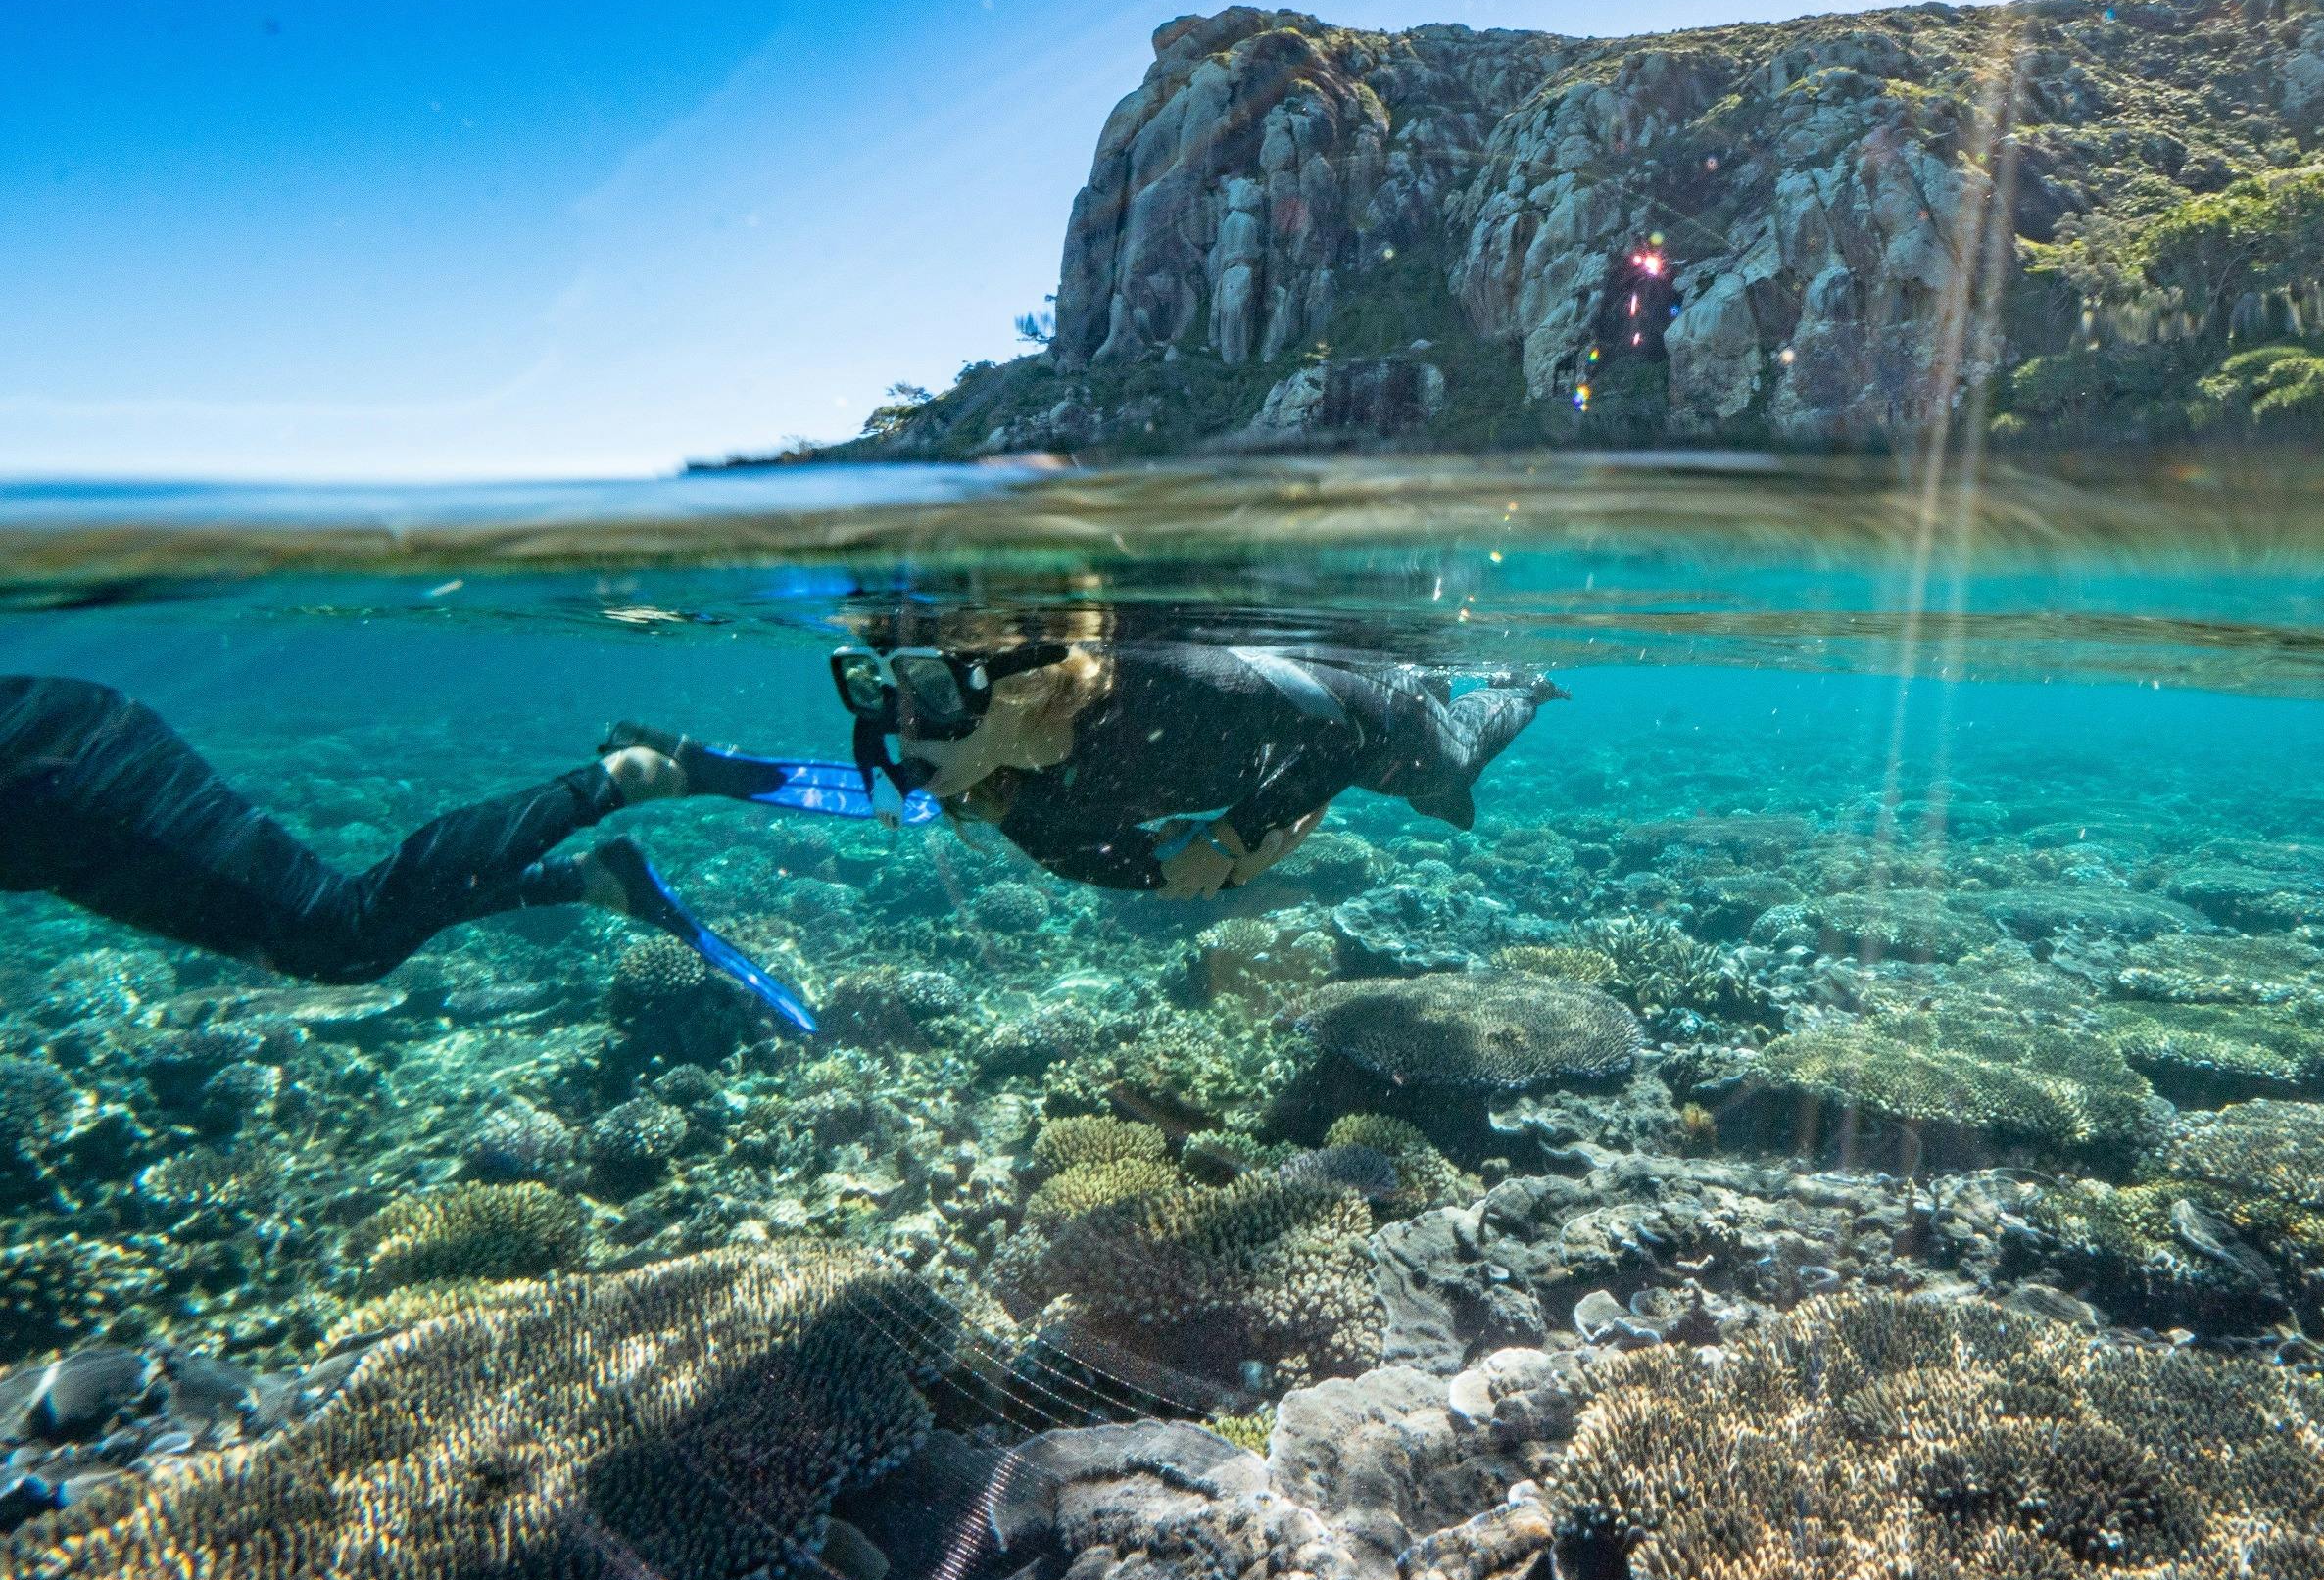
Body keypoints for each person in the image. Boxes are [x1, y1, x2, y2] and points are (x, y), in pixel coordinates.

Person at [0, 675, 814, 1029]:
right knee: (338, 933)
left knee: (343, 939)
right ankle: (589, 879)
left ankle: (627, 776)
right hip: (55, 760)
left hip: (54, 764)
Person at [610, 638, 1563, 898]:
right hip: (1290, 744)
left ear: (1017, 689)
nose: (902, 733)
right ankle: (1449, 674)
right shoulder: (1004, 794)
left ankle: (1513, 685)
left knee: (1452, 772)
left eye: (933, 693)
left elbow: (1340, 748)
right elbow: (1142, 870)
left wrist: (1242, 832)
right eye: (880, 691)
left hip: (1355, 707)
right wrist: (694, 769)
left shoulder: (1158, 690)